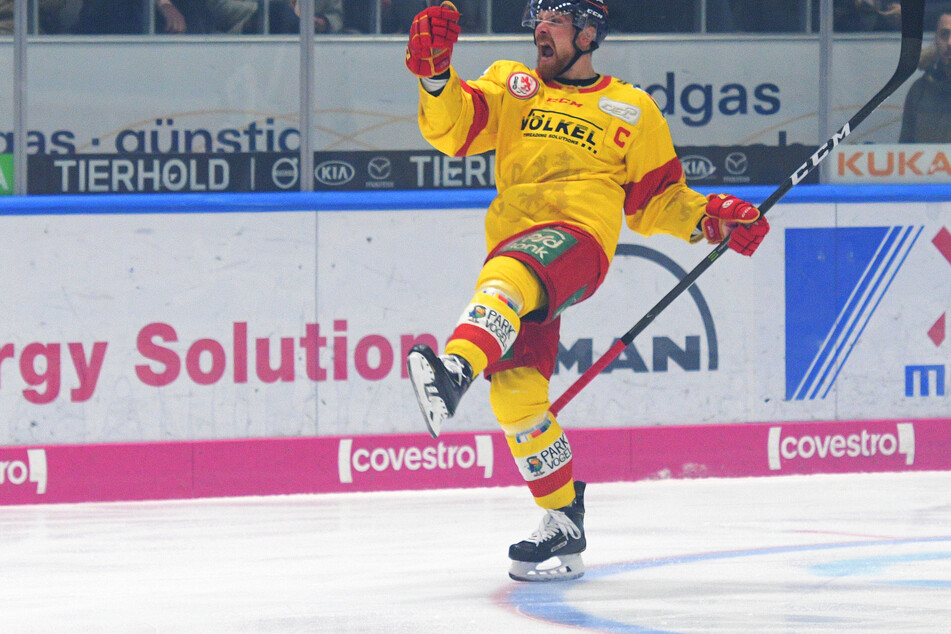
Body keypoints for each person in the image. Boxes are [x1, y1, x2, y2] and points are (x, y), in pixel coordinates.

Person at [403, 0, 769, 582]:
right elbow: (453, 129)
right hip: (518, 251)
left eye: (555, 20)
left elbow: (657, 203)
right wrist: (436, 76)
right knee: (517, 398)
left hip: (577, 243)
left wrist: (712, 219)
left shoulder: (631, 107)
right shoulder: (513, 84)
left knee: (507, 278)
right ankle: (563, 519)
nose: (539, 30)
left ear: (590, 32)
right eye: (537, 20)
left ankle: (454, 369)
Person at [900, 9, 951, 143]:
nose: (950, 42)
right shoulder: (918, 90)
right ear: (936, 40)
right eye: (944, 35)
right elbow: (905, 148)